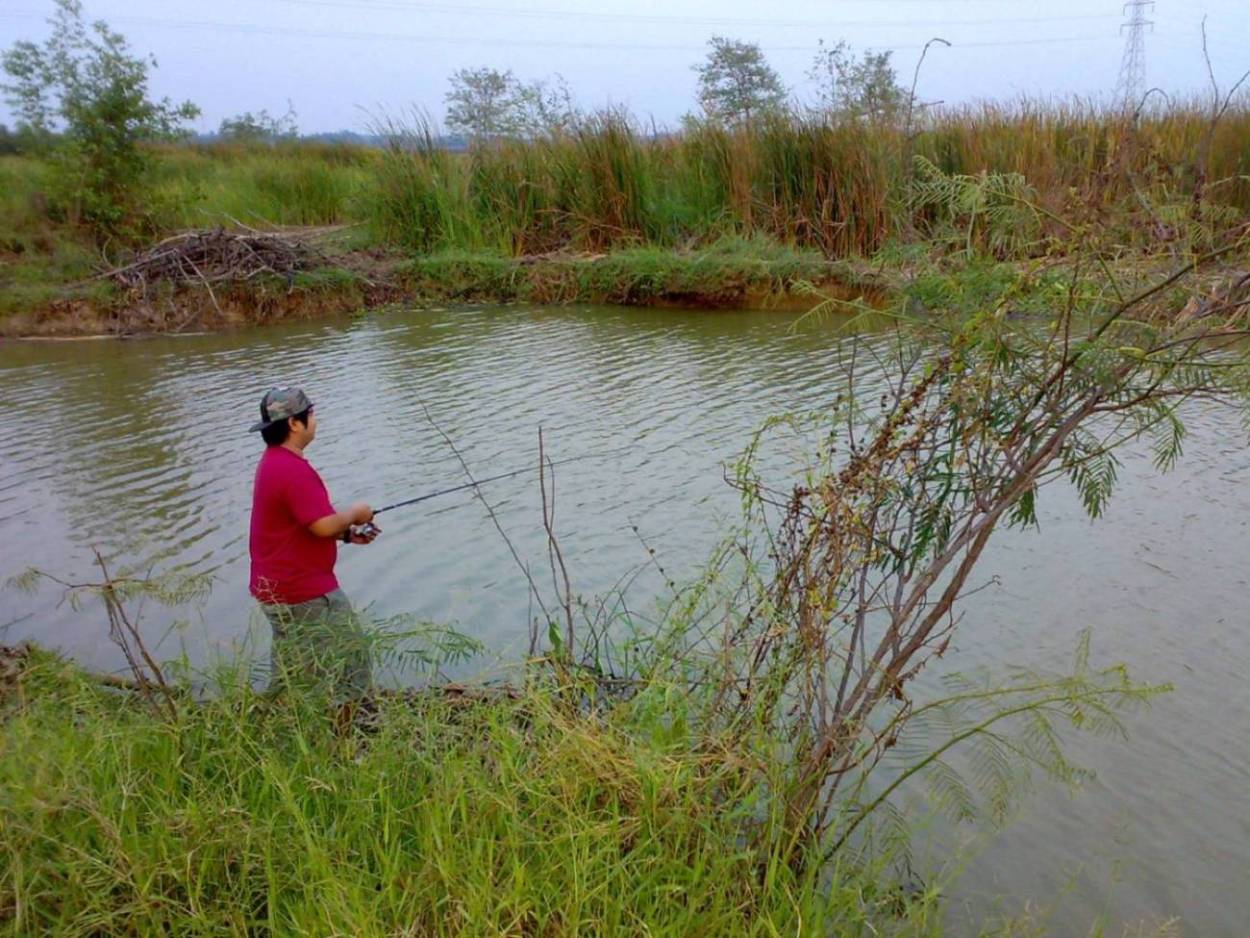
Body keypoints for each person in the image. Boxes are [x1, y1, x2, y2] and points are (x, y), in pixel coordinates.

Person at [247, 386, 379, 700]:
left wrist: (346, 534)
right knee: (352, 660)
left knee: (293, 671)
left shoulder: (273, 462)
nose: (315, 420)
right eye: (311, 414)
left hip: (276, 588)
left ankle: (272, 727)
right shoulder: (293, 470)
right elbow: (320, 526)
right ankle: (353, 734)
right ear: (294, 423)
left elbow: (303, 524)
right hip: (305, 592)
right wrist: (355, 515)